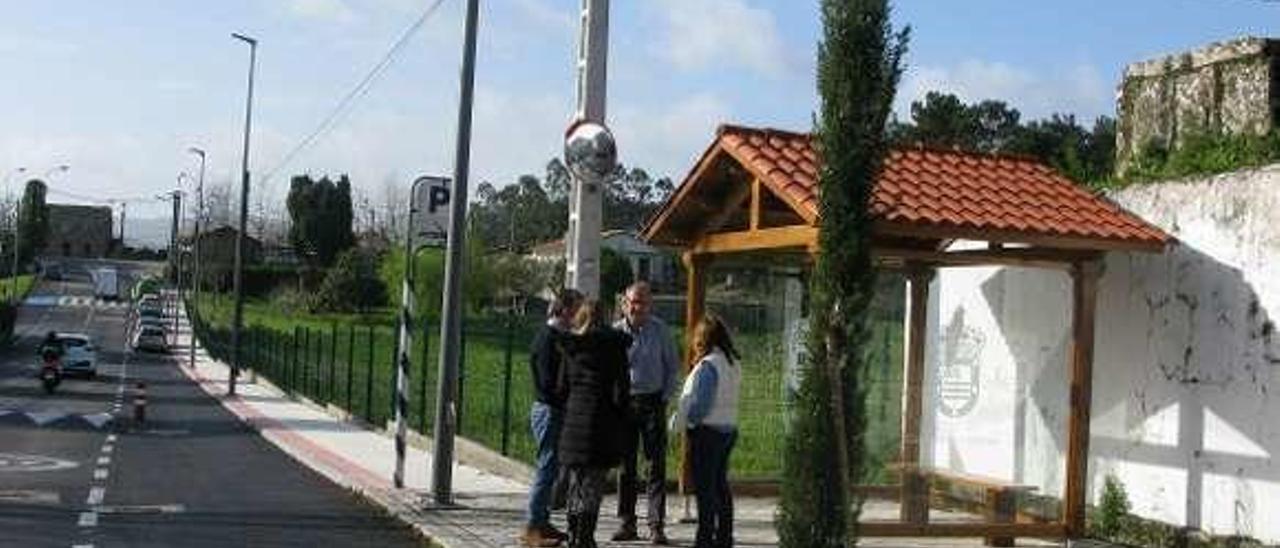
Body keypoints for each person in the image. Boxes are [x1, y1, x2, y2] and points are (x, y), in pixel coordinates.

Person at [557, 299, 632, 548]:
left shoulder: (571, 348)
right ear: (606, 317)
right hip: (602, 421)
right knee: (594, 483)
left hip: (573, 422)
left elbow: (562, 388)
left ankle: (572, 531)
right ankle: (586, 536)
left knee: (576, 481)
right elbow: (622, 391)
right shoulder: (614, 347)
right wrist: (621, 416)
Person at [612, 281, 679, 544]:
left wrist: (663, 399)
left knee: (655, 466)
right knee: (626, 467)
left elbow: (672, 367)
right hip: (626, 404)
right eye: (633, 302)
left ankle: (656, 525)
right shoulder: (616, 333)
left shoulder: (660, 331)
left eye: (643, 302)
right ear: (624, 304)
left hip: (653, 403)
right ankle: (627, 523)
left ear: (650, 305)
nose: (637, 307)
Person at [671, 314, 741, 548]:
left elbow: (700, 404)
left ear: (702, 339)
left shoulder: (709, 365)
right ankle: (724, 537)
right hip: (728, 428)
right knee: (721, 487)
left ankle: (704, 539)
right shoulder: (731, 362)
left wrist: (686, 421)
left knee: (706, 491)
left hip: (707, 432)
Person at [521, 289, 584, 547]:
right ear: (566, 309)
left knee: (552, 468)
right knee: (546, 469)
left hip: (554, 409)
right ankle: (532, 527)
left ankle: (542, 522)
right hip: (549, 410)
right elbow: (547, 383)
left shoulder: (560, 337)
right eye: (578, 309)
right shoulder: (549, 339)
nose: (580, 315)